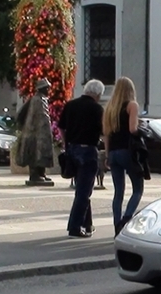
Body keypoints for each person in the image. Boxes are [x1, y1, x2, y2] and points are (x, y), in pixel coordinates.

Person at [58, 79, 105, 238]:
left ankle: (87, 223)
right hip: (88, 150)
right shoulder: (97, 109)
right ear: (97, 94)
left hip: (72, 149)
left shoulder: (71, 105)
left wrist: (66, 144)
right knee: (84, 192)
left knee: (82, 189)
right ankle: (74, 226)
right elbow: (104, 131)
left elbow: (61, 127)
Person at [102, 76, 145, 236]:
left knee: (118, 191)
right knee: (137, 189)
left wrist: (107, 155)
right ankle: (126, 220)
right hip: (127, 151)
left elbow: (106, 134)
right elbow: (133, 129)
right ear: (130, 90)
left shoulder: (109, 109)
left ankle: (116, 225)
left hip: (113, 153)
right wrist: (142, 128)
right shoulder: (131, 105)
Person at [15, 78, 54, 184]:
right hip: (35, 132)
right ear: (42, 88)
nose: (49, 90)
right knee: (35, 153)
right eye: (47, 88)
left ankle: (41, 173)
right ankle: (35, 175)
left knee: (40, 153)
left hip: (39, 132)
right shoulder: (38, 100)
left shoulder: (37, 99)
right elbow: (42, 118)